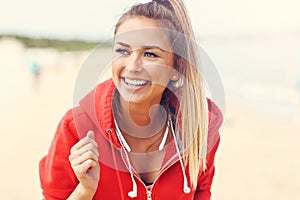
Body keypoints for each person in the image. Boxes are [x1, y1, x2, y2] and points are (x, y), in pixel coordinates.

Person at [39, 0, 223, 199]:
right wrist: (85, 191)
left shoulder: (198, 126)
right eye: (123, 51)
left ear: (176, 69)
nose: (133, 65)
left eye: (150, 54)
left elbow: (201, 192)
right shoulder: (76, 127)